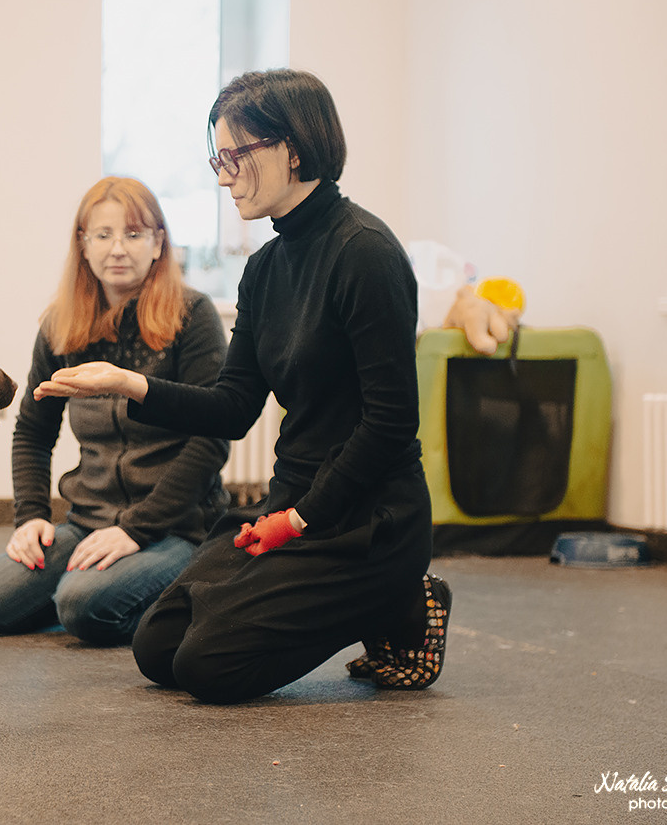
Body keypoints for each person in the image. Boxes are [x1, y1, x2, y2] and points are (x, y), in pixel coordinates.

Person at [34, 69, 451, 703]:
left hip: (367, 518)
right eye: (217, 158)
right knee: (159, 648)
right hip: (291, 503)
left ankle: (397, 603)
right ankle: (362, 602)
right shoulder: (264, 268)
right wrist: (126, 382)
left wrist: (302, 517)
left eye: (235, 157)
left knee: (209, 666)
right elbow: (232, 408)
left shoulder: (366, 253)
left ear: (294, 149)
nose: (223, 176)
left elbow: (391, 424)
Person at [0, 177, 230, 646]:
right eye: (103, 235)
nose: (118, 249)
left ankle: (180, 596)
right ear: (83, 243)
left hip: (177, 528)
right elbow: (33, 432)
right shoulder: (61, 324)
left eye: (134, 234)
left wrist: (136, 531)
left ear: (159, 243)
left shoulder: (192, 316)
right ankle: (85, 594)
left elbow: (211, 439)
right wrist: (32, 517)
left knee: (82, 605)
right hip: (87, 522)